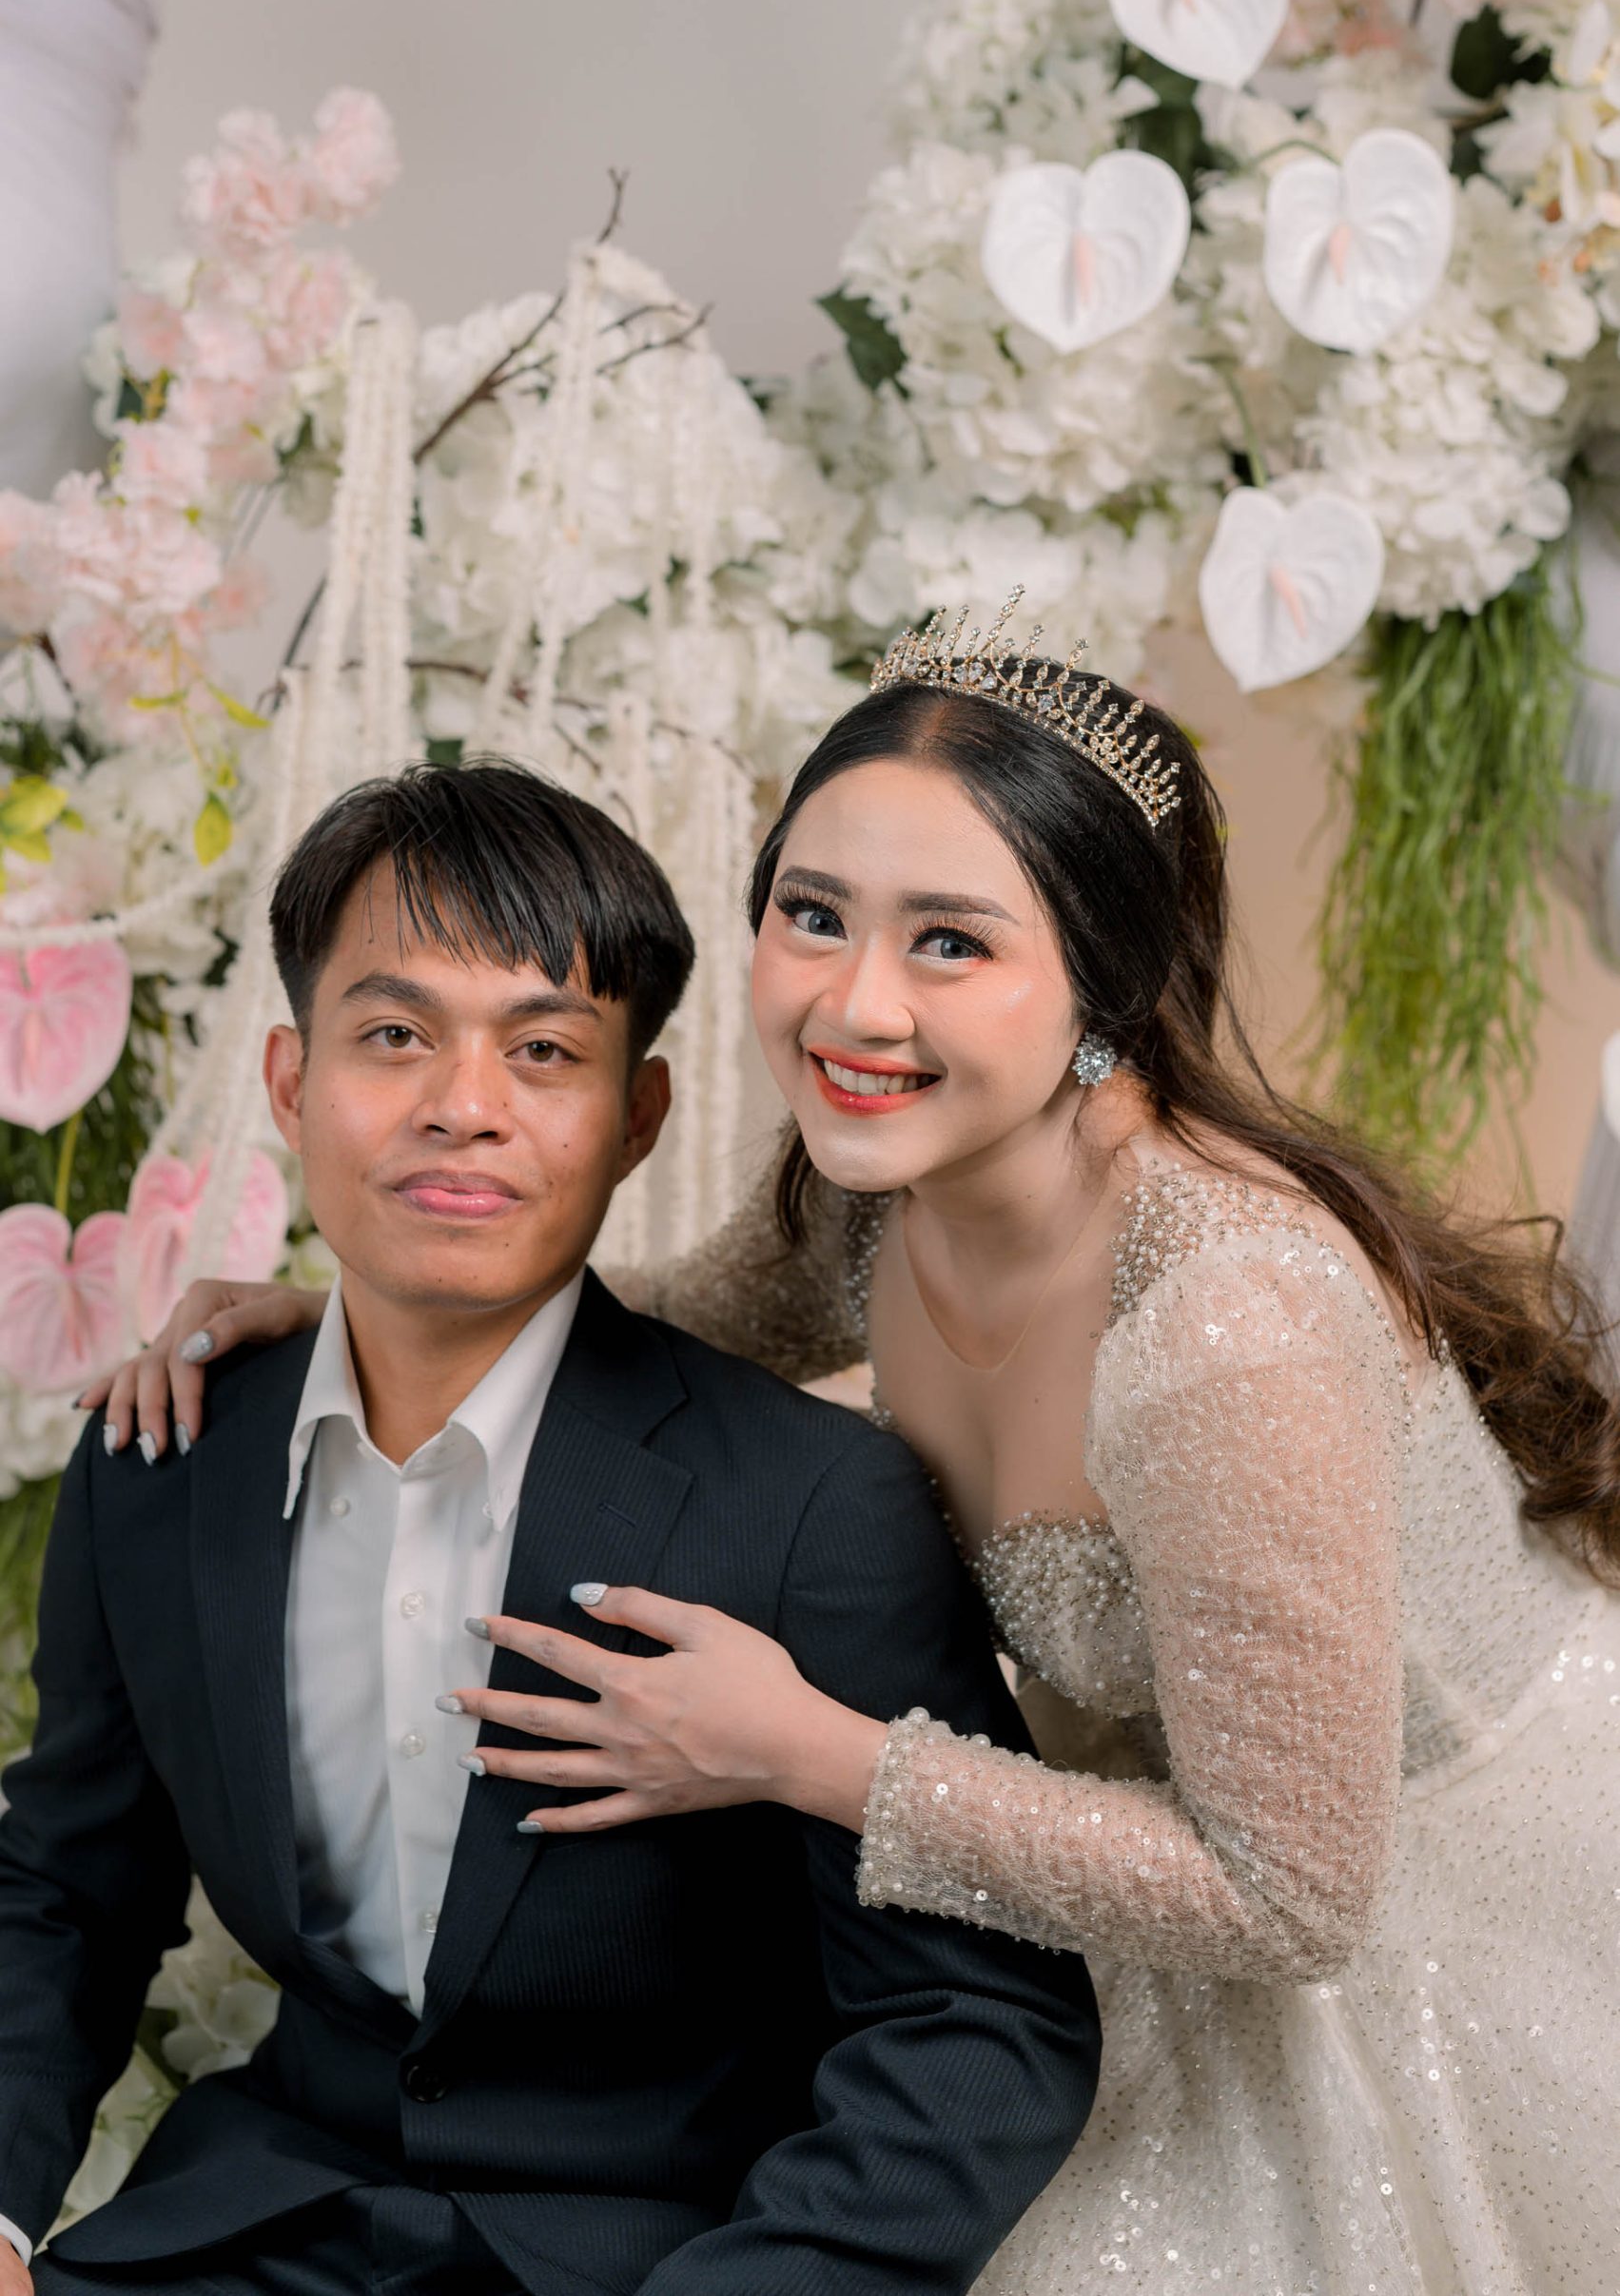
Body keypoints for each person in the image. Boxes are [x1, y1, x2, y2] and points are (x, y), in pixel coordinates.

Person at [105, 603, 1620, 2292]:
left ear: (1107, 984)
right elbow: (647, 1331)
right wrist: (354, 1310)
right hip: (1109, 1869)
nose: (855, 1004)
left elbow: (1294, 1901)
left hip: (1410, 1926)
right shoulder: (880, 1194)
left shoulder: (1224, 1332)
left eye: (951, 943)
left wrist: (807, 1753)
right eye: (814, 916)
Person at [1, 758, 1103, 2296]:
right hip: (256, 2226)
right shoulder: (163, 1460)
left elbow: (975, 2021)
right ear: (290, 1083)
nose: (465, 1110)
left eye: (543, 1051)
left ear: (636, 1116)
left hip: (663, 2254)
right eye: (395, 1036)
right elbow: (61, 1893)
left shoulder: (810, 1505)